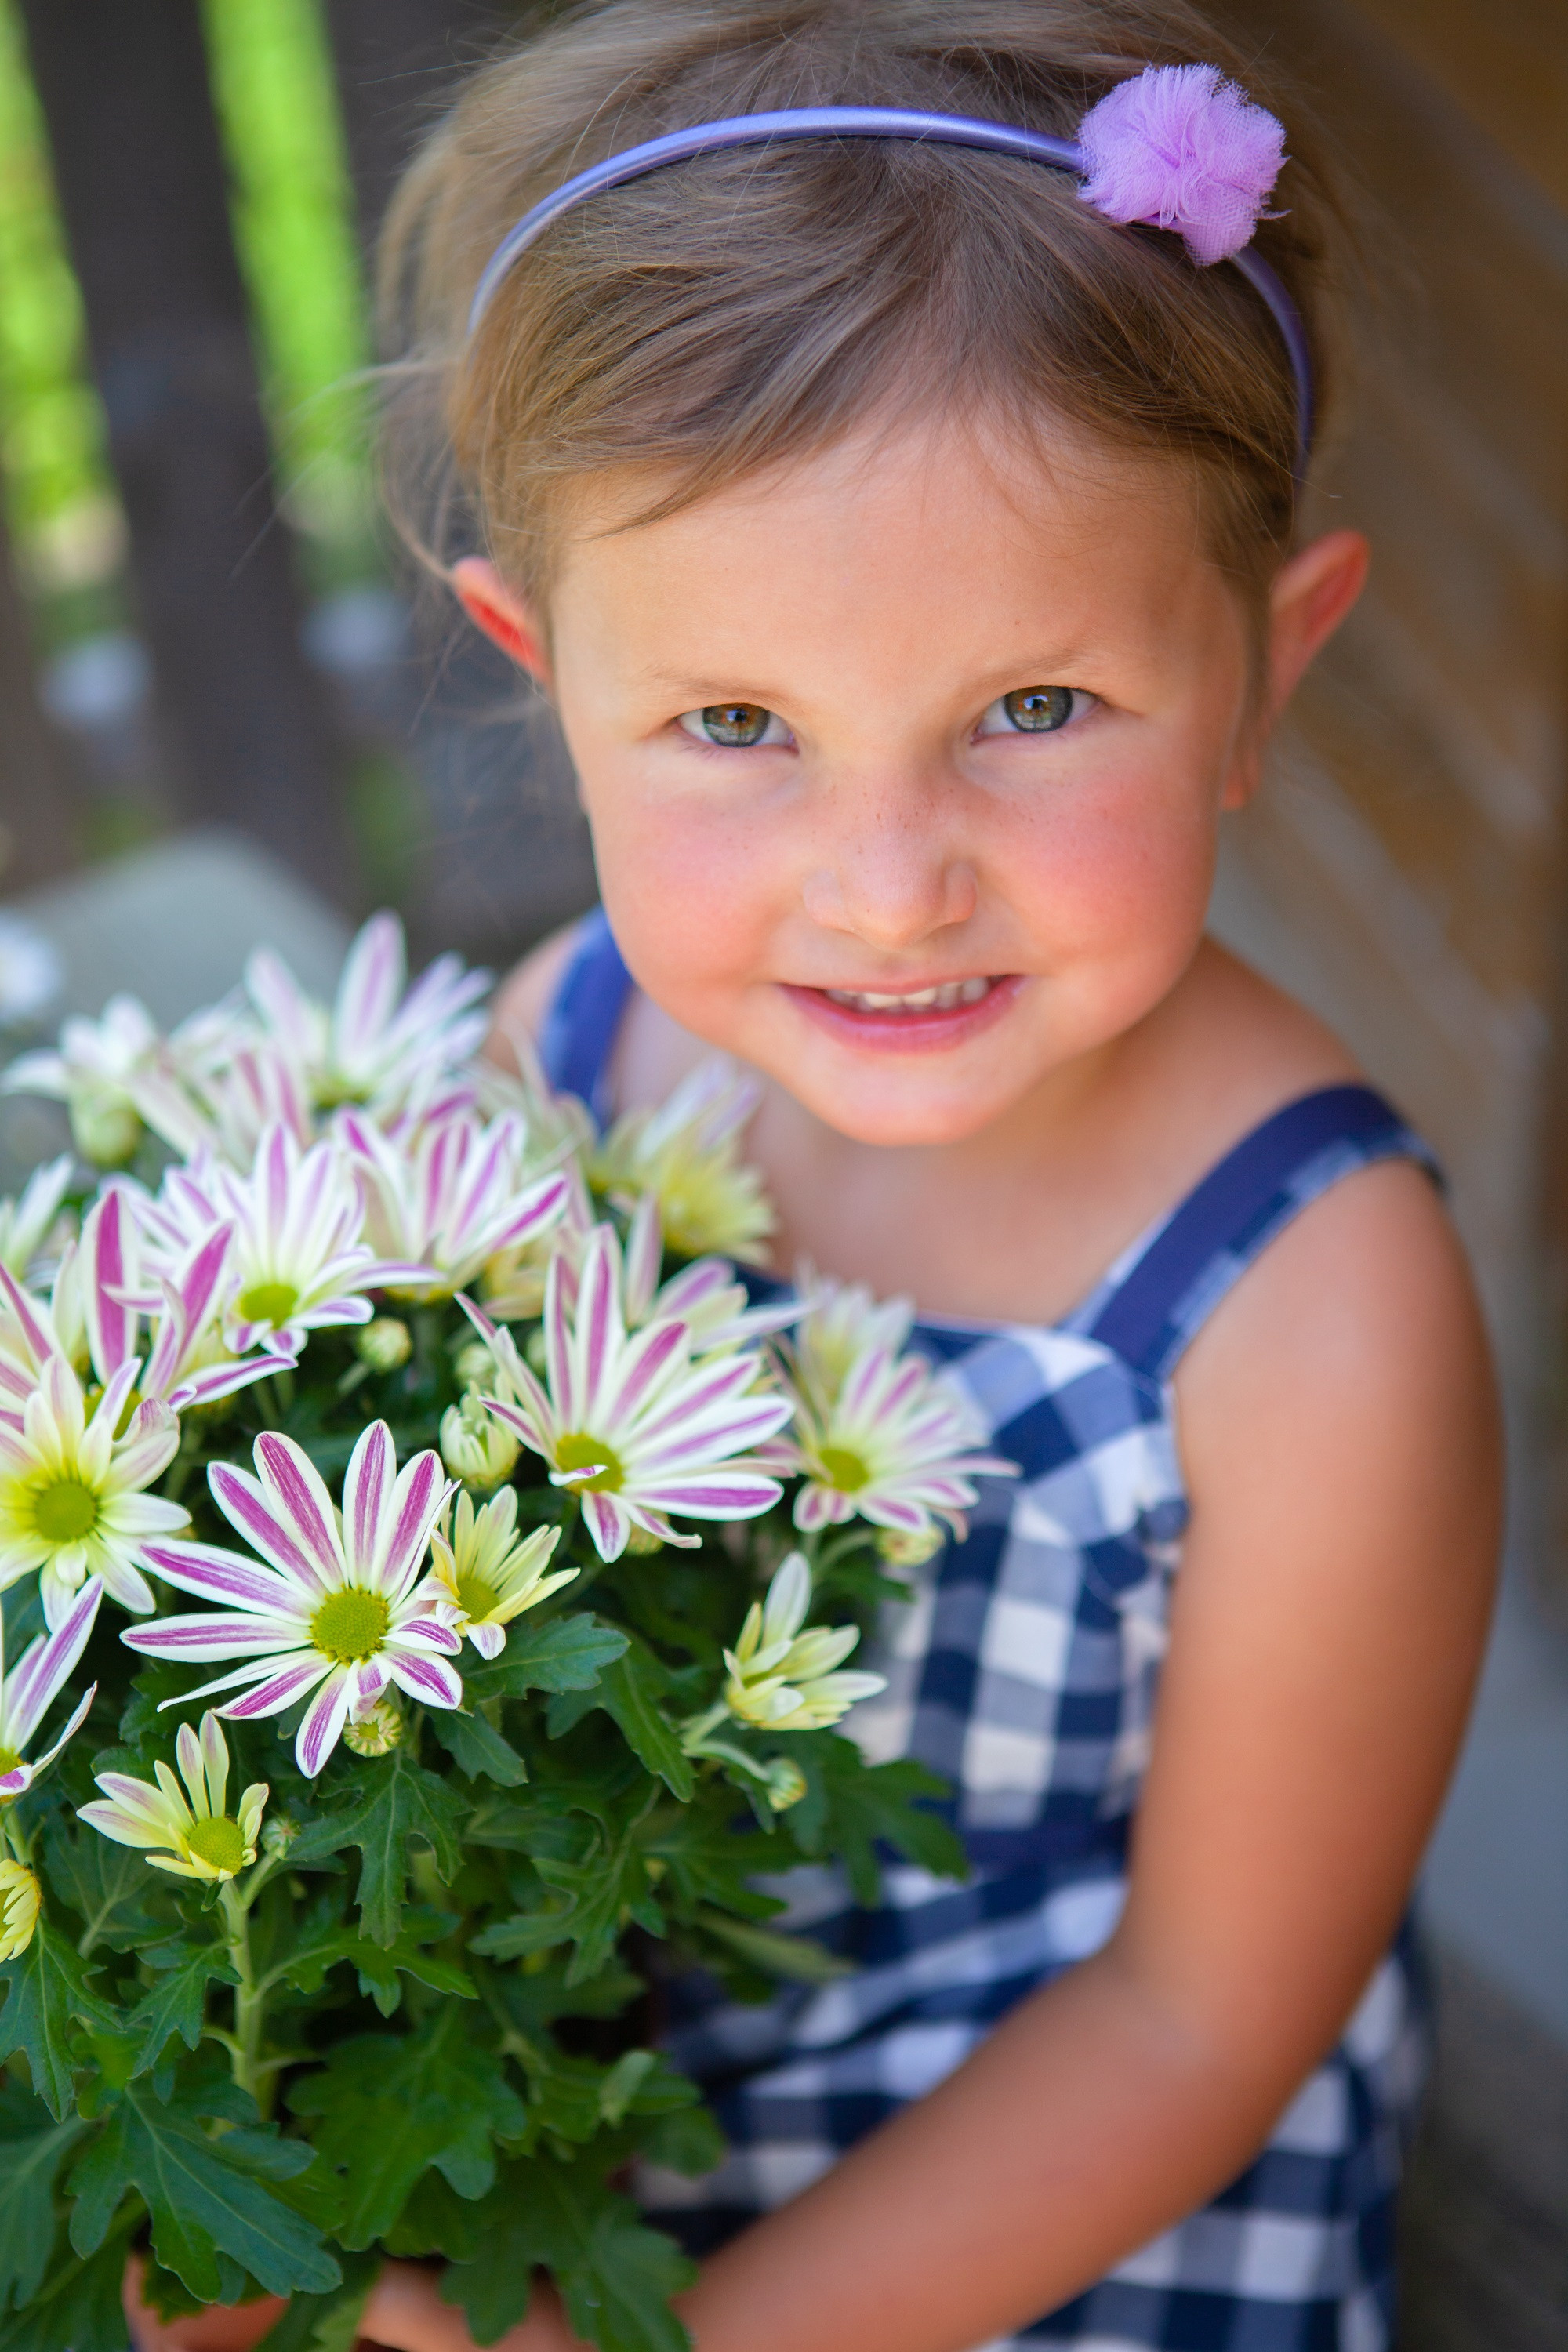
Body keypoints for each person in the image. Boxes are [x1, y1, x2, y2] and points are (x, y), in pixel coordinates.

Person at [360, 5, 1501, 2347]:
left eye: (1036, 710)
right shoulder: (569, 1046)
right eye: (735, 729)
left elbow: (1199, 2021)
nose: (888, 887)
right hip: (598, 2115)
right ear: (542, 668)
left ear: (1269, 673)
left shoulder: (1314, 1312)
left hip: (1062, 2229)